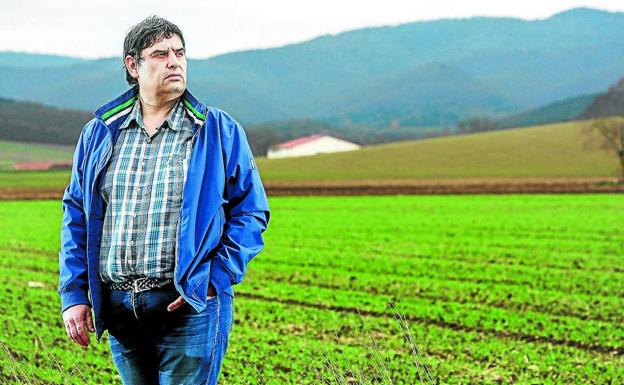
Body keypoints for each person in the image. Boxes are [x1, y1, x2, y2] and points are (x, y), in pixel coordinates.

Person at [58, 15, 270, 384]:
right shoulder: (99, 132)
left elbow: (251, 213)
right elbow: (76, 215)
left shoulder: (217, 130)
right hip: (120, 309)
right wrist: (74, 293)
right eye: (160, 54)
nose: (174, 61)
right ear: (132, 65)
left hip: (189, 307)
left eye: (180, 52)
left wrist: (211, 279)